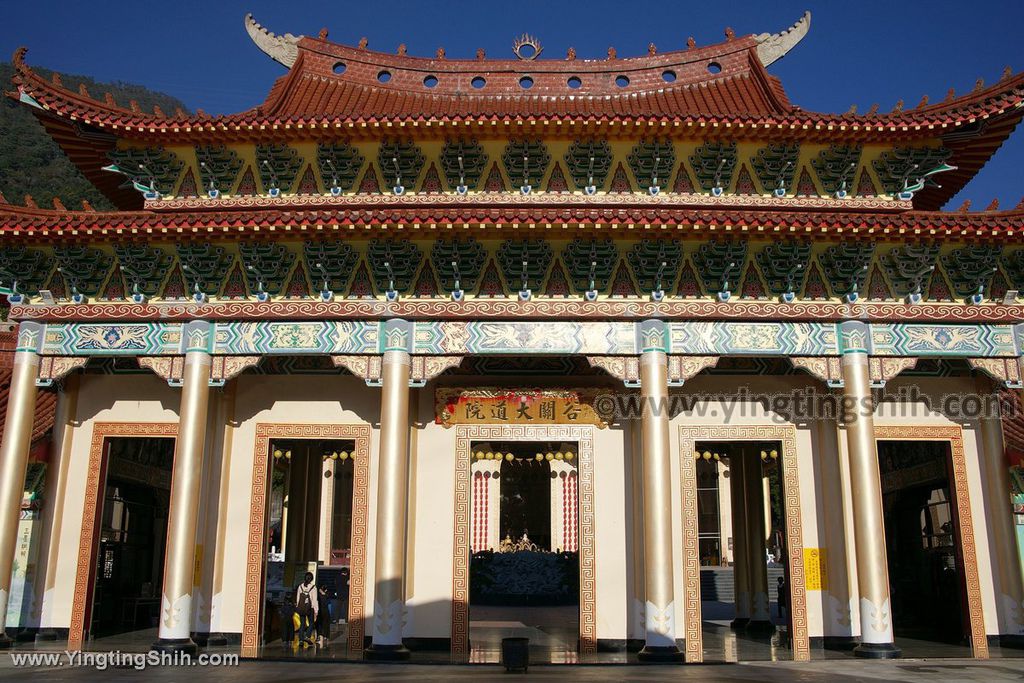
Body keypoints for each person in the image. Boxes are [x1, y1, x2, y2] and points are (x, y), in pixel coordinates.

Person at [295, 572, 319, 646]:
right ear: (311, 579)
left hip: (301, 608)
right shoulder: (313, 587)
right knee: (311, 623)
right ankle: (307, 636)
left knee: (302, 624)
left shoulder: (300, 586)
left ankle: (301, 640)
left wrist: (298, 607)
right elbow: (314, 600)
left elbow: (298, 599)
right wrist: (316, 610)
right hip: (310, 608)